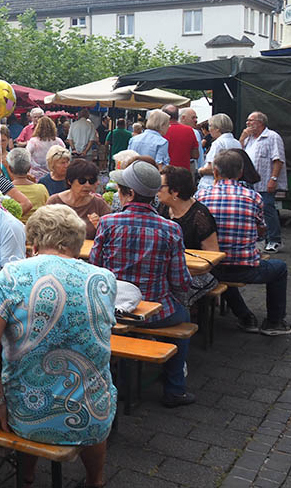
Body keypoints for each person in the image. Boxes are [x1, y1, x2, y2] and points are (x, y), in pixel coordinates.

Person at [0, 205, 116, 488]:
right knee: (97, 387)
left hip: (24, 413)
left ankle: (26, 476)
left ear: (35, 241)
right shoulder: (103, 279)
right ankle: (95, 480)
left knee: (30, 377)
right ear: (76, 243)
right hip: (92, 414)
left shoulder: (11, 275)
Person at [91, 159, 194, 407]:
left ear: (130, 193)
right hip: (157, 312)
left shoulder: (108, 223)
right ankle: (175, 389)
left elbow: (95, 269)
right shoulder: (171, 229)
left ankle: (121, 382)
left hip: (112, 309)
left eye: (119, 188)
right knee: (185, 316)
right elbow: (180, 281)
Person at [197, 150, 291, 335]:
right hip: (244, 268)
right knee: (279, 268)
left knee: (223, 271)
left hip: (211, 266)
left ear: (215, 172)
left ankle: (245, 316)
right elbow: (261, 230)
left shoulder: (201, 196)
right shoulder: (253, 197)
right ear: (240, 173)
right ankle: (274, 322)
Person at [241, 111, 287, 253]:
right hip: (249, 182)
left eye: (251, 120)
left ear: (260, 122)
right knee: (253, 212)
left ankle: (274, 240)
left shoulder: (272, 137)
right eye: (247, 120)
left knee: (267, 209)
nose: (248, 123)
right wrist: (242, 137)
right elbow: (238, 152)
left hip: (265, 181)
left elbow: (278, 159)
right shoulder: (249, 139)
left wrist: (273, 179)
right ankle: (258, 239)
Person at [46, 158, 110, 239]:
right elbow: (43, 230)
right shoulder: (54, 202)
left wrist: (100, 226)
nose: (87, 185)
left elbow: (111, 233)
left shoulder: (98, 204)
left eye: (91, 181)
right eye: (82, 181)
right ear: (70, 181)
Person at [158, 166, 218, 251]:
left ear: (175, 191)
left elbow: (212, 252)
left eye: (160, 187)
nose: (156, 190)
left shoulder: (200, 215)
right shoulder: (162, 208)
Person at [197, 113, 242, 190]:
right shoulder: (237, 142)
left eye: (210, 126)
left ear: (217, 128)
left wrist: (200, 171)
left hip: (211, 185)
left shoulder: (218, 143)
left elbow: (211, 168)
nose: (209, 129)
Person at [7, 148, 49, 223]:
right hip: (37, 230)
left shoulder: (5, 191)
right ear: (29, 168)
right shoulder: (41, 189)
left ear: (9, 169)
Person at [162, 104, 198, 170]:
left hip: (165, 172)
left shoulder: (161, 131)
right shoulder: (189, 130)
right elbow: (195, 155)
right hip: (184, 172)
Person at [179, 108, 205, 176]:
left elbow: (200, 154)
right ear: (183, 118)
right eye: (193, 118)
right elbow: (199, 155)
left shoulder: (196, 133)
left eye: (196, 118)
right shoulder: (194, 133)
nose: (196, 120)